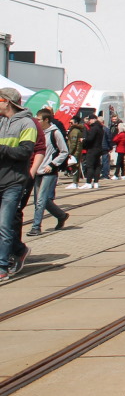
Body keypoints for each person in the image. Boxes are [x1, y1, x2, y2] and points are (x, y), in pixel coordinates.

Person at [0, 87, 37, 281]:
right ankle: (20, 249)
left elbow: (25, 152)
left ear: (7, 101)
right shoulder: (0, 122)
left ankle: (2, 266)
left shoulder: (26, 124)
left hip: (13, 181)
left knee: (5, 225)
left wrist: (2, 149)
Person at [29, 109, 69, 235]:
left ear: (46, 120)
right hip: (37, 170)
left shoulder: (55, 132)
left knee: (41, 200)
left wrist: (52, 164)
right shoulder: (36, 132)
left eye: (39, 119)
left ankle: (36, 227)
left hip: (49, 171)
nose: (37, 121)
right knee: (40, 200)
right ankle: (61, 215)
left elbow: (64, 151)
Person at [80, 113, 104, 190]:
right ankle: (96, 182)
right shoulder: (101, 128)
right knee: (97, 166)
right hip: (99, 148)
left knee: (90, 166)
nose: (89, 121)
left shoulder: (94, 128)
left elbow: (90, 139)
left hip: (92, 149)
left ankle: (88, 183)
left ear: (93, 119)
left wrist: (83, 140)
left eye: (89, 120)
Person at [63, 116, 86, 187]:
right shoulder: (74, 130)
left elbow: (73, 143)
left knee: (74, 166)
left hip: (75, 151)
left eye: (71, 123)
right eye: (69, 122)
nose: (70, 124)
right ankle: (75, 181)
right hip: (76, 150)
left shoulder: (75, 131)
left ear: (76, 123)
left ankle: (75, 182)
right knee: (75, 165)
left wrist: (70, 152)